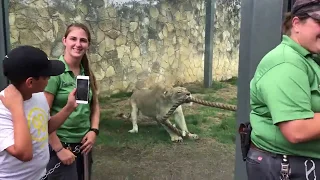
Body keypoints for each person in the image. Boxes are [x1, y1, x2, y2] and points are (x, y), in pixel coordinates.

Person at [245, 0, 320, 179]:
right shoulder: (286, 62)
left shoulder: (308, 59)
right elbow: (296, 130)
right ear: (296, 24)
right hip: (285, 167)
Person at [0, 45, 78, 180]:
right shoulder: (3, 109)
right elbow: (24, 154)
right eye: (47, 76)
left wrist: (69, 107)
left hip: (40, 176)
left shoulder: (38, 95)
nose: (49, 80)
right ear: (30, 82)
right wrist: (17, 108)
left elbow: (44, 127)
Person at [44, 22, 100, 180]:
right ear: (64, 41)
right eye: (73, 39)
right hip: (60, 146)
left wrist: (93, 131)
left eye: (83, 40)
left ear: (88, 44)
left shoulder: (86, 72)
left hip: (83, 145)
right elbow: (42, 116)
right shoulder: (54, 73)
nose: (78, 44)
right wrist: (59, 149)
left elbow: (95, 106)